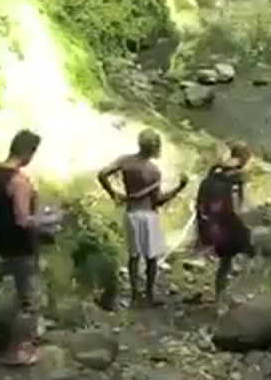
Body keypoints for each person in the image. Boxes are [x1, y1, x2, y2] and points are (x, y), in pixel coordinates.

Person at [0, 129, 60, 366]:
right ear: (28, 152)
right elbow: (23, 220)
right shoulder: (19, 181)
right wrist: (51, 219)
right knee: (29, 301)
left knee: (11, 296)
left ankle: (5, 340)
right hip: (20, 246)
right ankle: (17, 352)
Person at [96, 129, 189, 307]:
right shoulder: (154, 172)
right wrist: (179, 188)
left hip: (131, 213)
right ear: (155, 147)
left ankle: (134, 293)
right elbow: (157, 202)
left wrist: (113, 194)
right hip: (148, 215)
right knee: (151, 258)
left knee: (133, 256)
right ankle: (149, 294)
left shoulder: (124, 161)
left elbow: (102, 174)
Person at [195, 143, 253, 302]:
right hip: (227, 224)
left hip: (210, 224)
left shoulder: (214, 170)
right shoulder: (237, 176)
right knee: (234, 260)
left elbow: (201, 199)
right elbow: (237, 206)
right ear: (245, 158)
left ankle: (221, 295)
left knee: (226, 261)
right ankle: (223, 297)